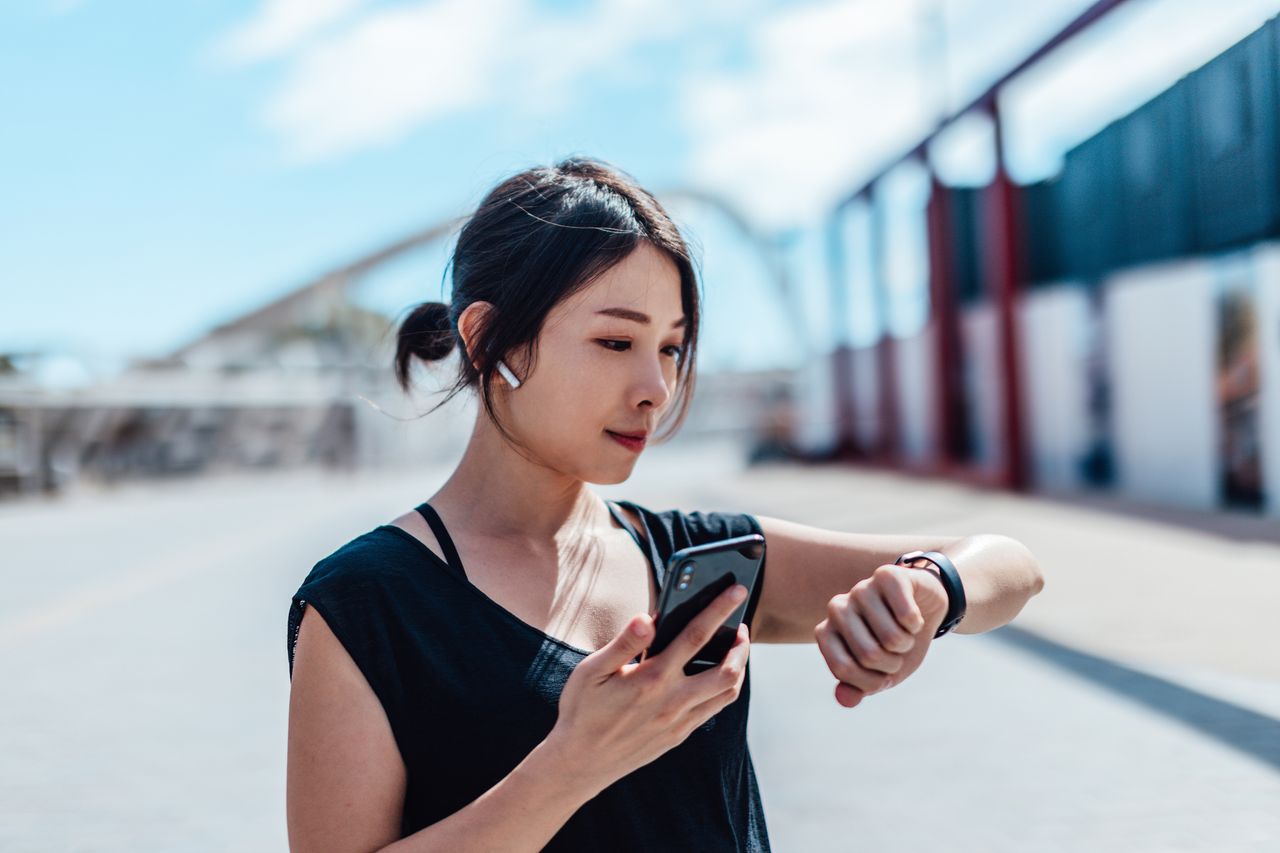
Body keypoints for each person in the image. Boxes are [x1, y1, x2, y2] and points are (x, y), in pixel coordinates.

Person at [284, 157, 1045, 852]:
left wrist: (926, 589)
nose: (656, 385)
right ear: (487, 341)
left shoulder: (697, 562)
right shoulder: (366, 604)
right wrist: (570, 766)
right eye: (617, 342)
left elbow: (1011, 568)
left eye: (673, 347)